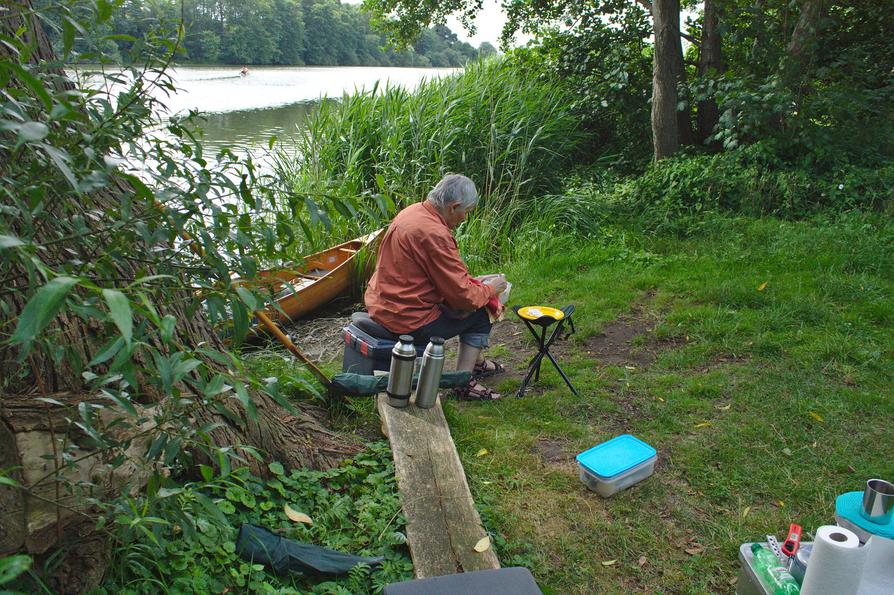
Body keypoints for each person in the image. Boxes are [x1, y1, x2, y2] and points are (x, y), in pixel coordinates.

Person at [365, 174, 509, 400]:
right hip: (407, 319)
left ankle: (478, 363)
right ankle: (464, 382)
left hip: (382, 303)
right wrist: (492, 290)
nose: (465, 218)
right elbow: (464, 298)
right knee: (481, 311)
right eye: (467, 212)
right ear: (454, 207)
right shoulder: (435, 233)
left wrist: (472, 283)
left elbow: (435, 275)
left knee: (476, 296)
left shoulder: (412, 212)